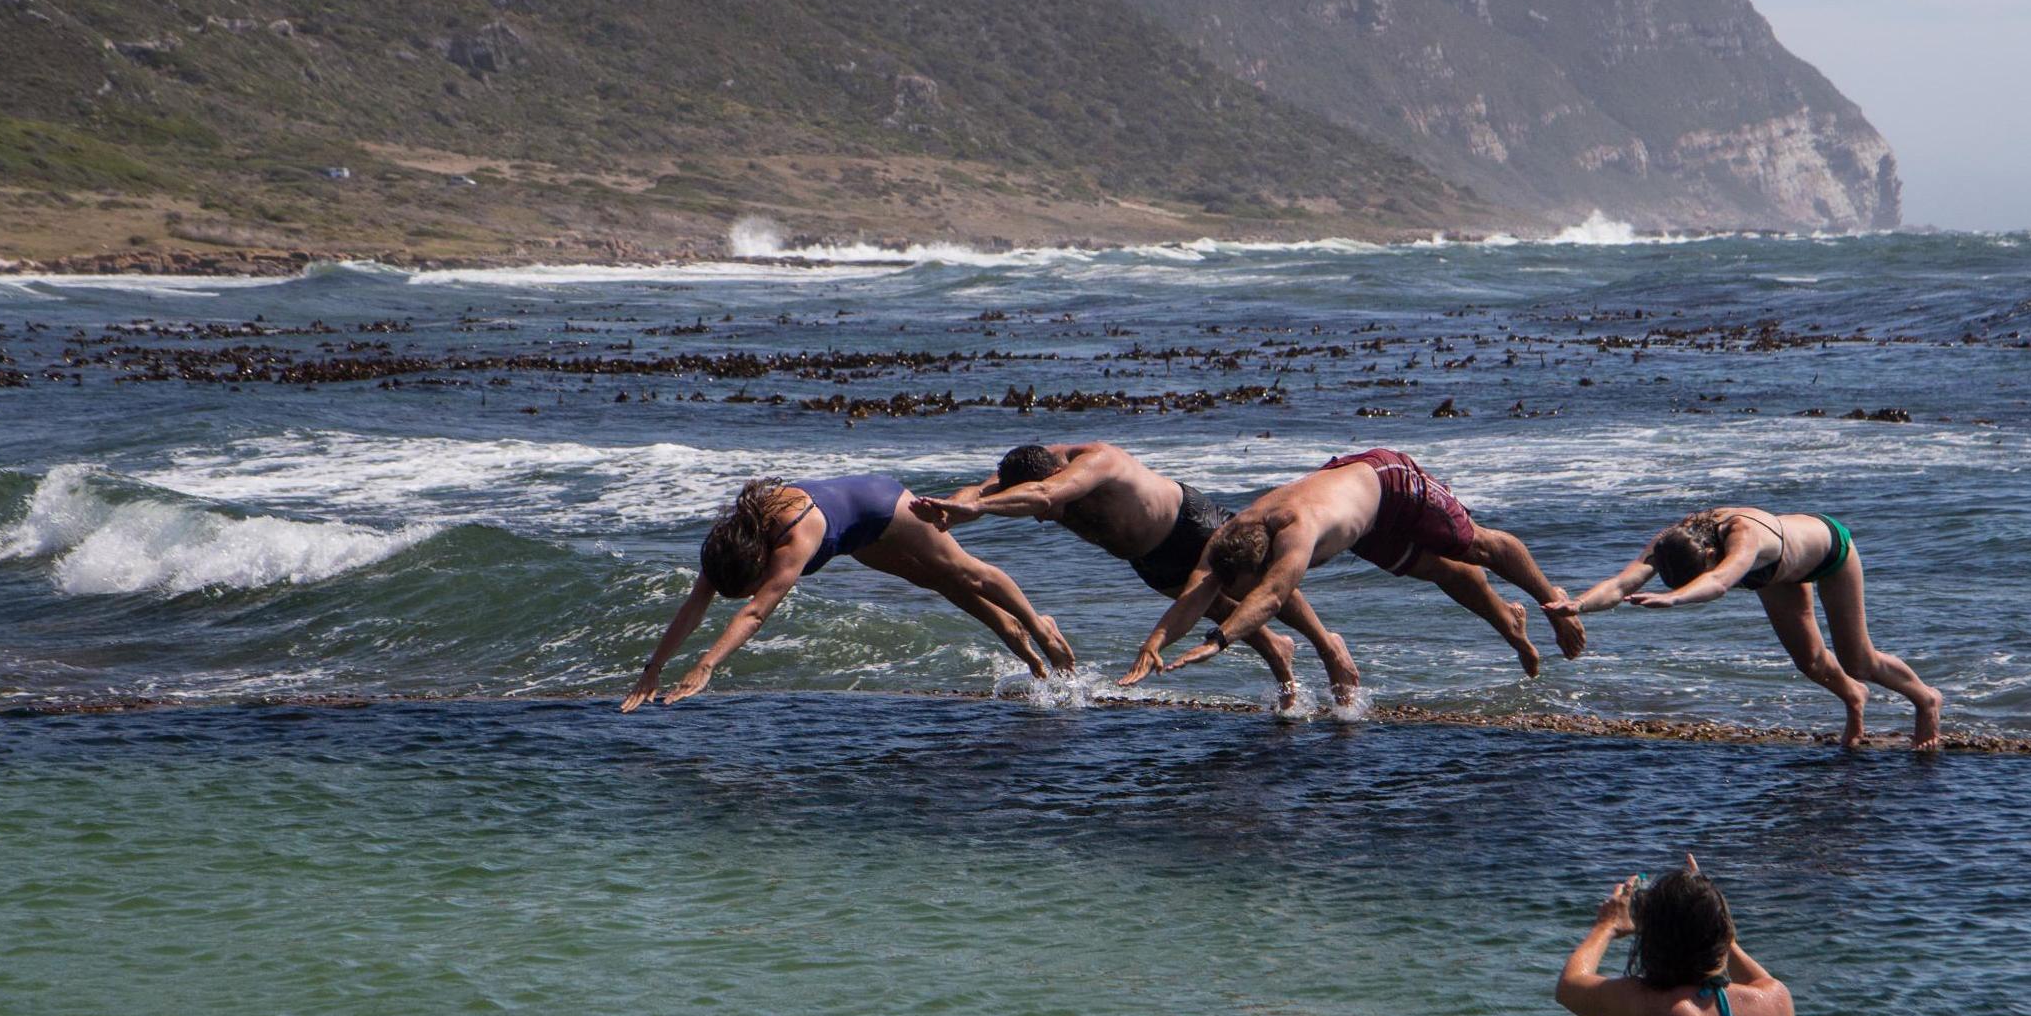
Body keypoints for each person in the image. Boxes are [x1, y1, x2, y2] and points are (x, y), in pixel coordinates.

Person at [914, 442, 1359, 708]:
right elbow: (978, 491)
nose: (1045, 519)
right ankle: (1281, 660)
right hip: (1146, 558)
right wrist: (953, 509)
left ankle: (1328, 647)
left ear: (1054, 469)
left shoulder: (1092, 463)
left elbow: (1046, 494)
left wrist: (980, 508)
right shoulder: (1025, 470)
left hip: (1188, 524)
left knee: (1258, 582)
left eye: (1046, 512)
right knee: (1217, 609)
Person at [1116, 447, 1585, 688]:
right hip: (1362, 520)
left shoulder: (1296, 534)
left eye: (1239, 588)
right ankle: (1509, 622)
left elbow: (1272, 598)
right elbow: (1197, 589)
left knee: (1475, 546)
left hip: (1390, 482)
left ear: (1264, 562)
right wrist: (1154, 642)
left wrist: (1219, 640)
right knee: (1439, 570)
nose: (1235, 595)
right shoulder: (1231, 536)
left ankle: (1553, 604)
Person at [619, 474, 1073, 708]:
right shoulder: (725, 548)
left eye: (751, 586)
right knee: (939, 583)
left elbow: (756, 615)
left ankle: (1041, 629)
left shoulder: (793, 542)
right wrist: (654, 667)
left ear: (760, 565)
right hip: (854, 537)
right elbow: (693, 606)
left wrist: (705, 666)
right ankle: (1025, 651)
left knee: (964, 571)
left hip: (883, 507)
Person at [1545, 507, 1942, 750]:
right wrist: (1578, 604)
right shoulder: (1675, 539)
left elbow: (1718, 584)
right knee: (1811, 663)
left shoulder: (1743, 537)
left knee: (1858, 659)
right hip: (1776, 576)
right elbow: (1621, 584)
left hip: (1830, 554)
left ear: (1713, 554)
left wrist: (1674, 599)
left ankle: (1926, 700)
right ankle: (1855, 700)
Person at [1555, 854, 1794, 1016]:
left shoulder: (1651, 1006)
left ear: (1654, 941)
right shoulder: (1775, 1001)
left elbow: (1569, 985)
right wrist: (1709, 913)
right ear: (1722, 931)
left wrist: (1606, 926)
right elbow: (1761, 979)